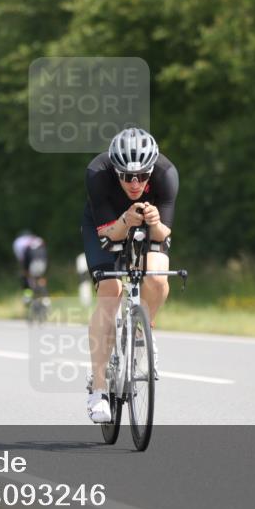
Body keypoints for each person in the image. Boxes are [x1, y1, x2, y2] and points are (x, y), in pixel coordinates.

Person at [81, 127, 178, 423]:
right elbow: (108, 236)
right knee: (110, 291)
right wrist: (125, 220)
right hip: (107, 225)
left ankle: (141, 336)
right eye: (126, 176)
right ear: (115, 171)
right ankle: (99, 390)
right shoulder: (97, 173)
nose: (135, 184)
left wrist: (154, 222)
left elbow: (164, 235)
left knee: (157, 278)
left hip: (148, 224)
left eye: (142, 176)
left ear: (152, 170)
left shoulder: (166, 174)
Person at [12, 230, 49, 304]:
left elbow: (23, 259)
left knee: (27, 278)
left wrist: (25, 270)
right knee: (40, 278)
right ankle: (45, 299)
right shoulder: (37, 240)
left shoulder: (19, 242)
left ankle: (28, 297)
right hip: (43, 259)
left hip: (31, 261)